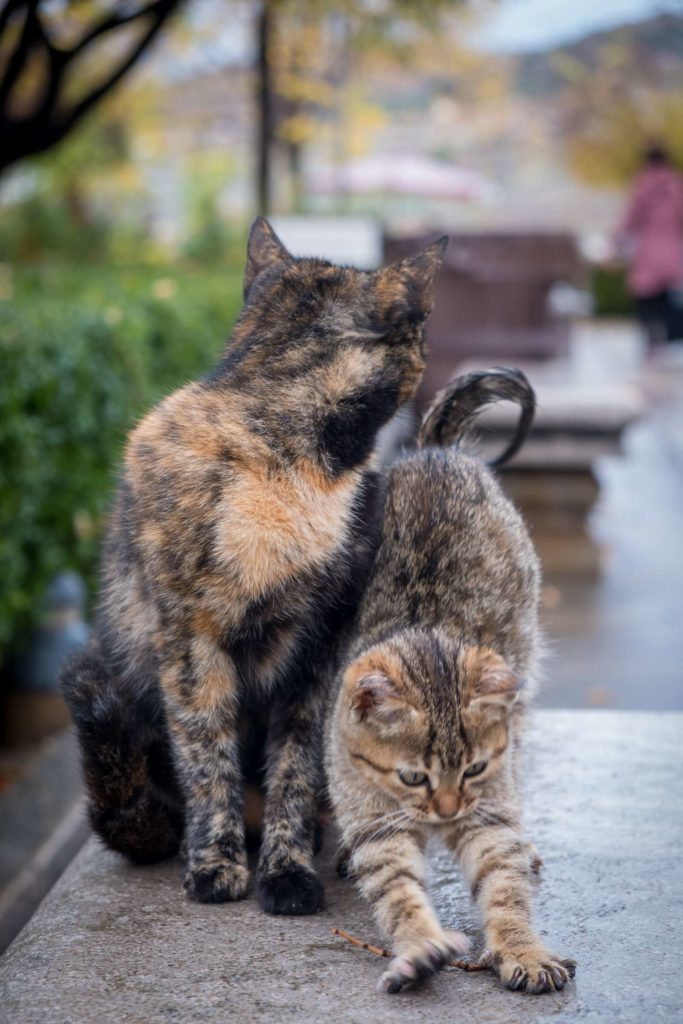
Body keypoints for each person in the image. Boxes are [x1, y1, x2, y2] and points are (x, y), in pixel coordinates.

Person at [616, 144, 683, 345]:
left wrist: (616, 241)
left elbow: (630, 219)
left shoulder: (642, 185)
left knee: (646, 296)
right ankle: (671, 340)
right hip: (673, 248)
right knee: (671, 298)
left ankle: (652, 336)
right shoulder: (676, 184)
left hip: (648, 248)